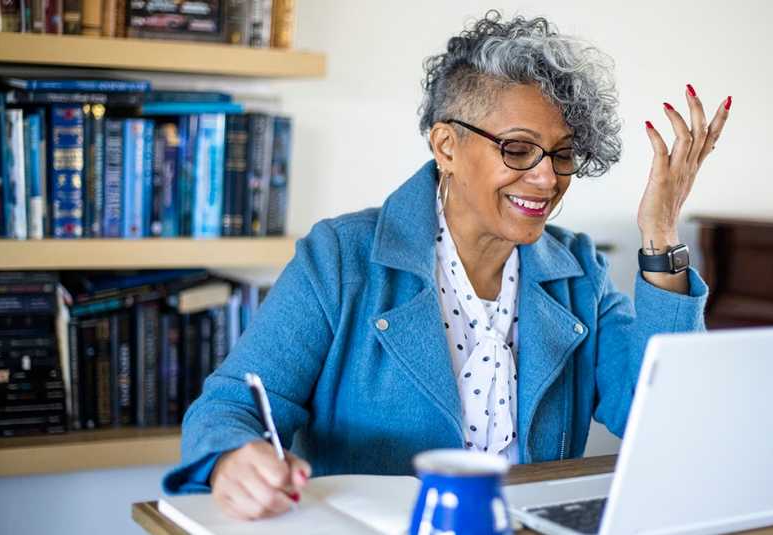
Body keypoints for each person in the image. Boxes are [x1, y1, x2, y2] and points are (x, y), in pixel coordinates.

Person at [162, 11, 730, 520]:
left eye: (562, 153)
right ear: (446, 146)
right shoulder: (339, 259)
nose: (547, 177)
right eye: (518, 148)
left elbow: (665, 423)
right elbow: (232, 404)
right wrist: (234, 458)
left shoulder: (578, 270)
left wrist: (660, 237)